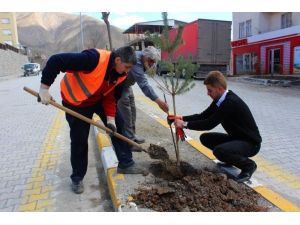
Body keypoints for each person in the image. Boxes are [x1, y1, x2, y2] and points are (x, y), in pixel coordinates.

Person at [38, 46, 147, 194]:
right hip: (75, 101)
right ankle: (77, 178)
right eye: (127, 67)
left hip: (98, 98)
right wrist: (44, 88)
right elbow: (56, 60)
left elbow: (111, 97)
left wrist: (110, 119)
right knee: (79, 139)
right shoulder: (93, 59)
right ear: (117, 60)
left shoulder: (121, 74)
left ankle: (126, 163)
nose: (128, 71)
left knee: (119, 125)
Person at [170, 71, 262, 183]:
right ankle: (231, 160)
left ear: (219, 88)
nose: (208, 93)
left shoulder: (229, 102)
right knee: (205, 138)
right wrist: (182, 117)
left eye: (210, 90)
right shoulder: (220, 100)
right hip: (237, 138)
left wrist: (184, 125)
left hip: (251, 144)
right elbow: (203, 116)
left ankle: (249, 166)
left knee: (219, 151)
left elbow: (209, 124)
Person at [117, 46, 169, 145]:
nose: (152, 64)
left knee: (132, 110)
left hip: (127, 86)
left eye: (153, 62)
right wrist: (159, 102)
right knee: (126, 114)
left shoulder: (143, 58)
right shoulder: (136, 60)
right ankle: (129, 142)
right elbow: (144, 85)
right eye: (150, 61)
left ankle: (132, 135)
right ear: (145, 56)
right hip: (119, 86)